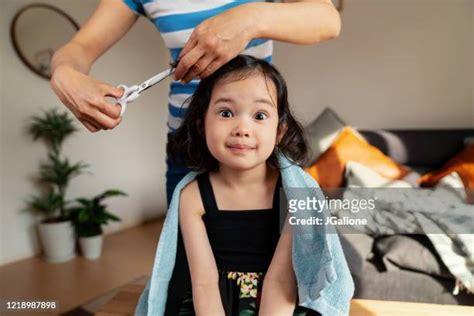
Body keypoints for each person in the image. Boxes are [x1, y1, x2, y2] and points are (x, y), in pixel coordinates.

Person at [50, 0, 341, 205]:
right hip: (187, 146)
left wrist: (251, 18)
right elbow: (78, 49)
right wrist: (63, 73)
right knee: (186, 265)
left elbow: (327, 20)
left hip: (255, 152)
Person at [165, 54, 317, 315]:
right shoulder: (193, 197)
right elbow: (203, 282)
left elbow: (281, 280)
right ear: (202, 125)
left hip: (281, 300)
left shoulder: (295, 196)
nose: (242, 128)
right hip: (212, 302)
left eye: (259, 115)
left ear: (279, 131)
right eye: (226, 113)